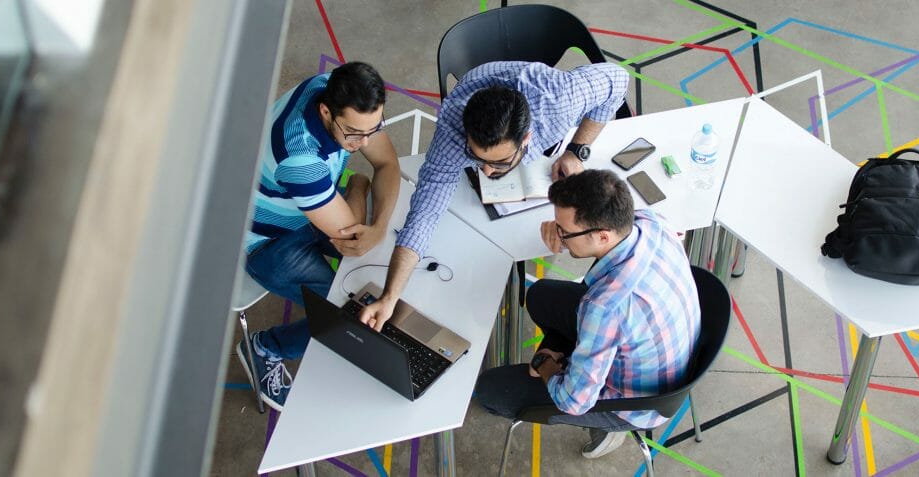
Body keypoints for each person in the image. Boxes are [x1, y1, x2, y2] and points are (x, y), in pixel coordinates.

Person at [358, 61, 630, 332]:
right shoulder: (453, 131)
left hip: (539, 91)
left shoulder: (559, 100)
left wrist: (577, 149)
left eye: (499, 163)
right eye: (477, 159)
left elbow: (618, 79)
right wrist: (390, 296)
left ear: (526, 139)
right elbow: (424, 214)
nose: (487, 172)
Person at [474, 169, 701, 459]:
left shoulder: (604, 306)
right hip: (662, 351)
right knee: (541, 295)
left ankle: (607, 430)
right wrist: (561, 230)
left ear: (602, 236)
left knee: (491, 389)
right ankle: (578, 360)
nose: (559, 236)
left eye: (564, 232)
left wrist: (545, 364)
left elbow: (573, 401)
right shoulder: (650, 222)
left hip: (633, 403)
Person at [237, 62, 401, 411]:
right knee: (344, 314)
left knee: (378, 263)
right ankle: (266, 347)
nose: (365, 142)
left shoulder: (335, 89)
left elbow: (387, 164)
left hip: (309, 208)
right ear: (326, 112)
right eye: (355, 134)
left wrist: (380, 225)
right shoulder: (300, 159)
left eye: (374, 129)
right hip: (267, 242)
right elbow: (353, 239)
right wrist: (359, 186)